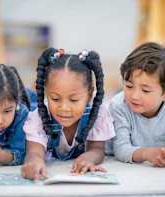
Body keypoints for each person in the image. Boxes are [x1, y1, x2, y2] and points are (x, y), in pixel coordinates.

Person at [21, 48, 115, 182]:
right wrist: (34, 162)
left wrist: (88, 157)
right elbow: (34, 152)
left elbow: (97, 149)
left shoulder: (96, 110)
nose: (64, 108)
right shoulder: (39, 118)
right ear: (47, 93)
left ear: (89, 95)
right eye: (55, 98)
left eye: (74, 100)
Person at [105, 42, 165, 168]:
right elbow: (121, 149)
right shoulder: (119, 106)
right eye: (129, 86)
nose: (134, 96)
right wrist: (147, 154)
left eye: (145, 90)